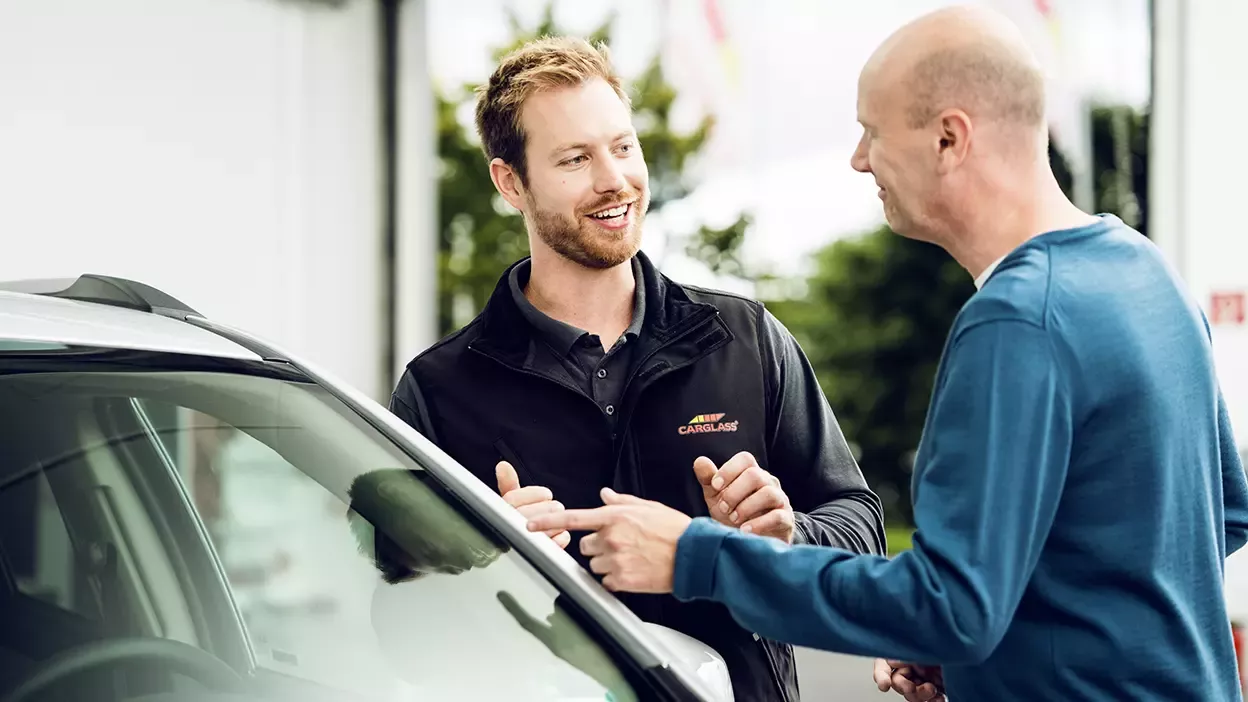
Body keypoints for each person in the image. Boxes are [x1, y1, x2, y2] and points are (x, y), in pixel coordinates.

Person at [525, 6, 1248, 702]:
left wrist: (696, 555)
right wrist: (994, 645)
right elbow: (1220, 513)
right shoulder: (1144, 271)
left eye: (873, 130)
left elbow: (952, 607)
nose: (859, 158)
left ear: (948, 138)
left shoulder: (1018, 321)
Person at [388, 35, 887, 701]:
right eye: (575, 159)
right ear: (511, 181)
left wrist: (787, 531)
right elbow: (395, 623)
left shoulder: (745, 340)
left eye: (623, 147)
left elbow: (861, 530)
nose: (614, 180)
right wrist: (479, 557)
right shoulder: (438, 392)